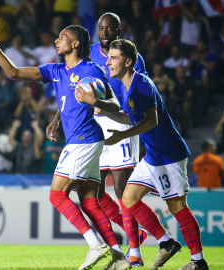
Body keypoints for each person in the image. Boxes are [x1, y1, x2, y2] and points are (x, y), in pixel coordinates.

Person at [0, 21, 131, 269]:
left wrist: (97, 100)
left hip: (84, 139)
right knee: (89, 201)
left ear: (75, 43)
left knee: (56, 195)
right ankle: (119, 256)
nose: (56, 40)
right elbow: (14, 72)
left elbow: (114, 104)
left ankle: (95, 244)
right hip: (84, 141)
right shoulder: (56, 71)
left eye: (63, 36)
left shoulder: (91, 71)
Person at [99, 39, 208, 270]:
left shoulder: (141, 85)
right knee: (128, 198)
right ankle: (166, 241)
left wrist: (121, 136)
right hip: (152, 156)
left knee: (177, 207)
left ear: (128, 62)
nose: (108, 62)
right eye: (108, 57)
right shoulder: (128, 87)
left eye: (114, 58)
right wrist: (103, 108)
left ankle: (198, 263)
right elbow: (131, 118)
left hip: (169, 154)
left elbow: (152, 120)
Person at [89, 13, 148, 266]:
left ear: (118, 31)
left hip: (121, 122)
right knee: (95, 191)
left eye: (109, 29)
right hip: (96, 125)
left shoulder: (131, 57)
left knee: (122, 189)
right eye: (101, 28)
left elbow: (136, 90)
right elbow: (75, 85)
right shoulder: (89, 54)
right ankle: (138, 234)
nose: (104, 33)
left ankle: (134, 251)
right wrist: (59, 119)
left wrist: (110, 107)